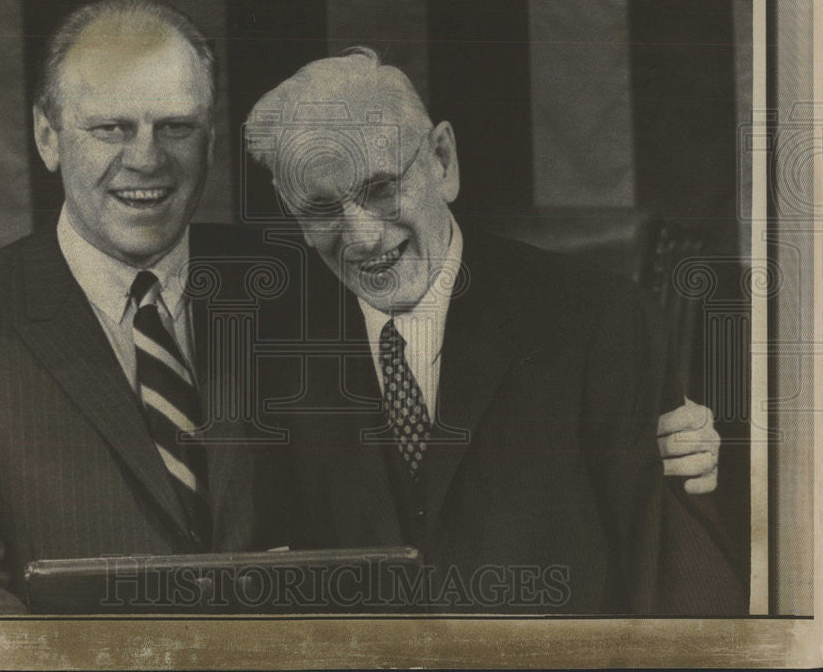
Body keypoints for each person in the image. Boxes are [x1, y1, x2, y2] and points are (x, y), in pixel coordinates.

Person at [244, 47, 742, 613]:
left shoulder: (599, 321)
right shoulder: (270, 355)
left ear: (442, 161)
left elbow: (687, 595)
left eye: (381, 189)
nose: (361, 237)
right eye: (321, 208)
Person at [0, 0, 294, 615]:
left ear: (210, 139)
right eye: (110, 128)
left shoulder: (290, 285)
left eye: (175, 126)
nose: (146, 158)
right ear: (47, 136)